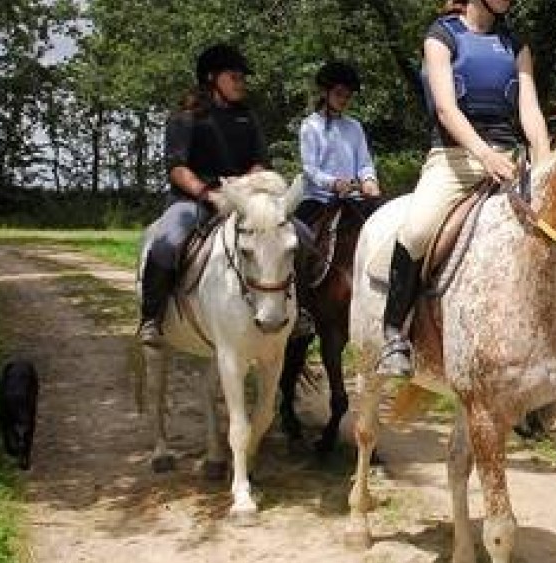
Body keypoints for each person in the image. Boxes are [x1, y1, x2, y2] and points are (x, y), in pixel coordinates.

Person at [376, 0, 552, 377]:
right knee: (418, 230)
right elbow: (446, 110)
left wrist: (545, 162)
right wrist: (485, 155)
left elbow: (530, 111)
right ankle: (394, 333)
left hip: (510, 159)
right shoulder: (441, 36)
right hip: (454, 160)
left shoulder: (515, 44)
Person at [137, 44, 270, 345]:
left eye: (242, 77)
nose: (241, 82)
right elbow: (177, 168)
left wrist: (242, 187)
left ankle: (298, 314)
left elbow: (260, 162)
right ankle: (152, 318)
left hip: (242, 199)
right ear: (212, 78)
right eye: (234, 76)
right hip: (193, 200)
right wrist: (208, 193)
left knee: (296, 234)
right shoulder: (185, 117)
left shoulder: (247, 117)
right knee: (167, 241)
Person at [297, 61, 382, 225]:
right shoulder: (310, 125)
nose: (344, 99)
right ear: (324, 92)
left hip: (352, 199)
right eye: (339, 94)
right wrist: (334, 183)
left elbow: (364, 163)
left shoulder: (354, 126)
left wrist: (369, 181)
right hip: (319, 200)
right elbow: (310, 169)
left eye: (348, 96)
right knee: (298, 237)